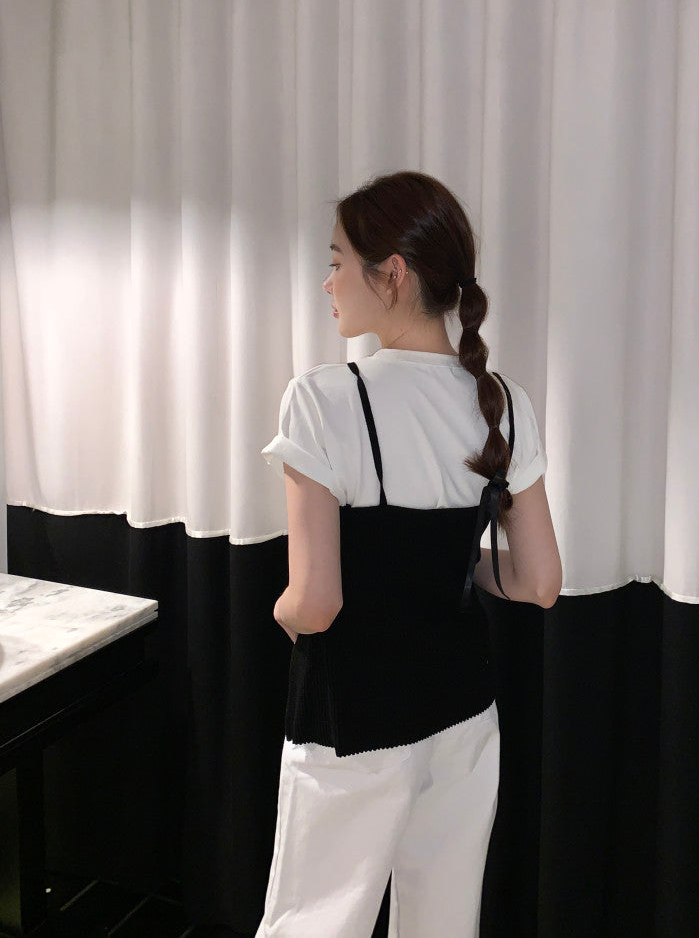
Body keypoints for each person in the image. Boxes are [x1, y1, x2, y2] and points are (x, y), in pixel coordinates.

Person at [256, 171, 561, 937]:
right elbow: (539, 581)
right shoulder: (503, 402)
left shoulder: (322, 399)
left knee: (312, 924)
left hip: (354, 715)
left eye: (336, 261)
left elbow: (315, 600)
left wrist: (282, 610)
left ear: (391, 273)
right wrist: (446, 567)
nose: (327, 282)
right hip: (464, 712)